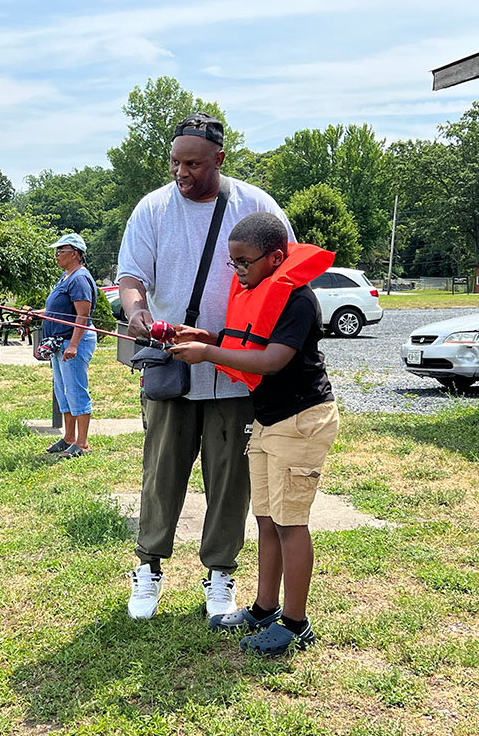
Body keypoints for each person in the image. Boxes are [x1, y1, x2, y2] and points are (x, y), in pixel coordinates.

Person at [116, 112, 294, 620]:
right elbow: (131, 277)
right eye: (175, 162)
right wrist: (136, 312)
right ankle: (148, 567)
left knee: (230, 478)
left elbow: (285, 277)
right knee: (160, 472)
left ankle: (220, 574)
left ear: (219, 158)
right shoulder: (152, 208)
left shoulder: (256, 205)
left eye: (193, 163)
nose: (181, 172)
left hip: (236, 370)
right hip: (172, 367)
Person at [167, 212, 338, 656]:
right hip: (268, 420)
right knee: (265, 517)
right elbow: (246, 339)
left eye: (244, 262)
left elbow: (273, 360)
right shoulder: (260, 291)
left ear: (276, 257)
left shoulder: (299, 301)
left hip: (301, 420)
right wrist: (207, 336)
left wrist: (206, 353)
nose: (238, 271)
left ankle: (296, 624)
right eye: (233, 263)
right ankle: (264, 607)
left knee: (290, 523)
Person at [42, 233, 98, 458]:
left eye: (60, 251)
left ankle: (82, 443)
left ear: (74, 254)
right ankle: (69, 438)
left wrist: (73, 345)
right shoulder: (66, 277)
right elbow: (57, 311)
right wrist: (34, 315)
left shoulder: (79, 278)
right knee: (63, 392)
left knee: (76, 390)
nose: (56, 255)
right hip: (60, 344)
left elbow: (82, 316)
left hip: (73, 343)